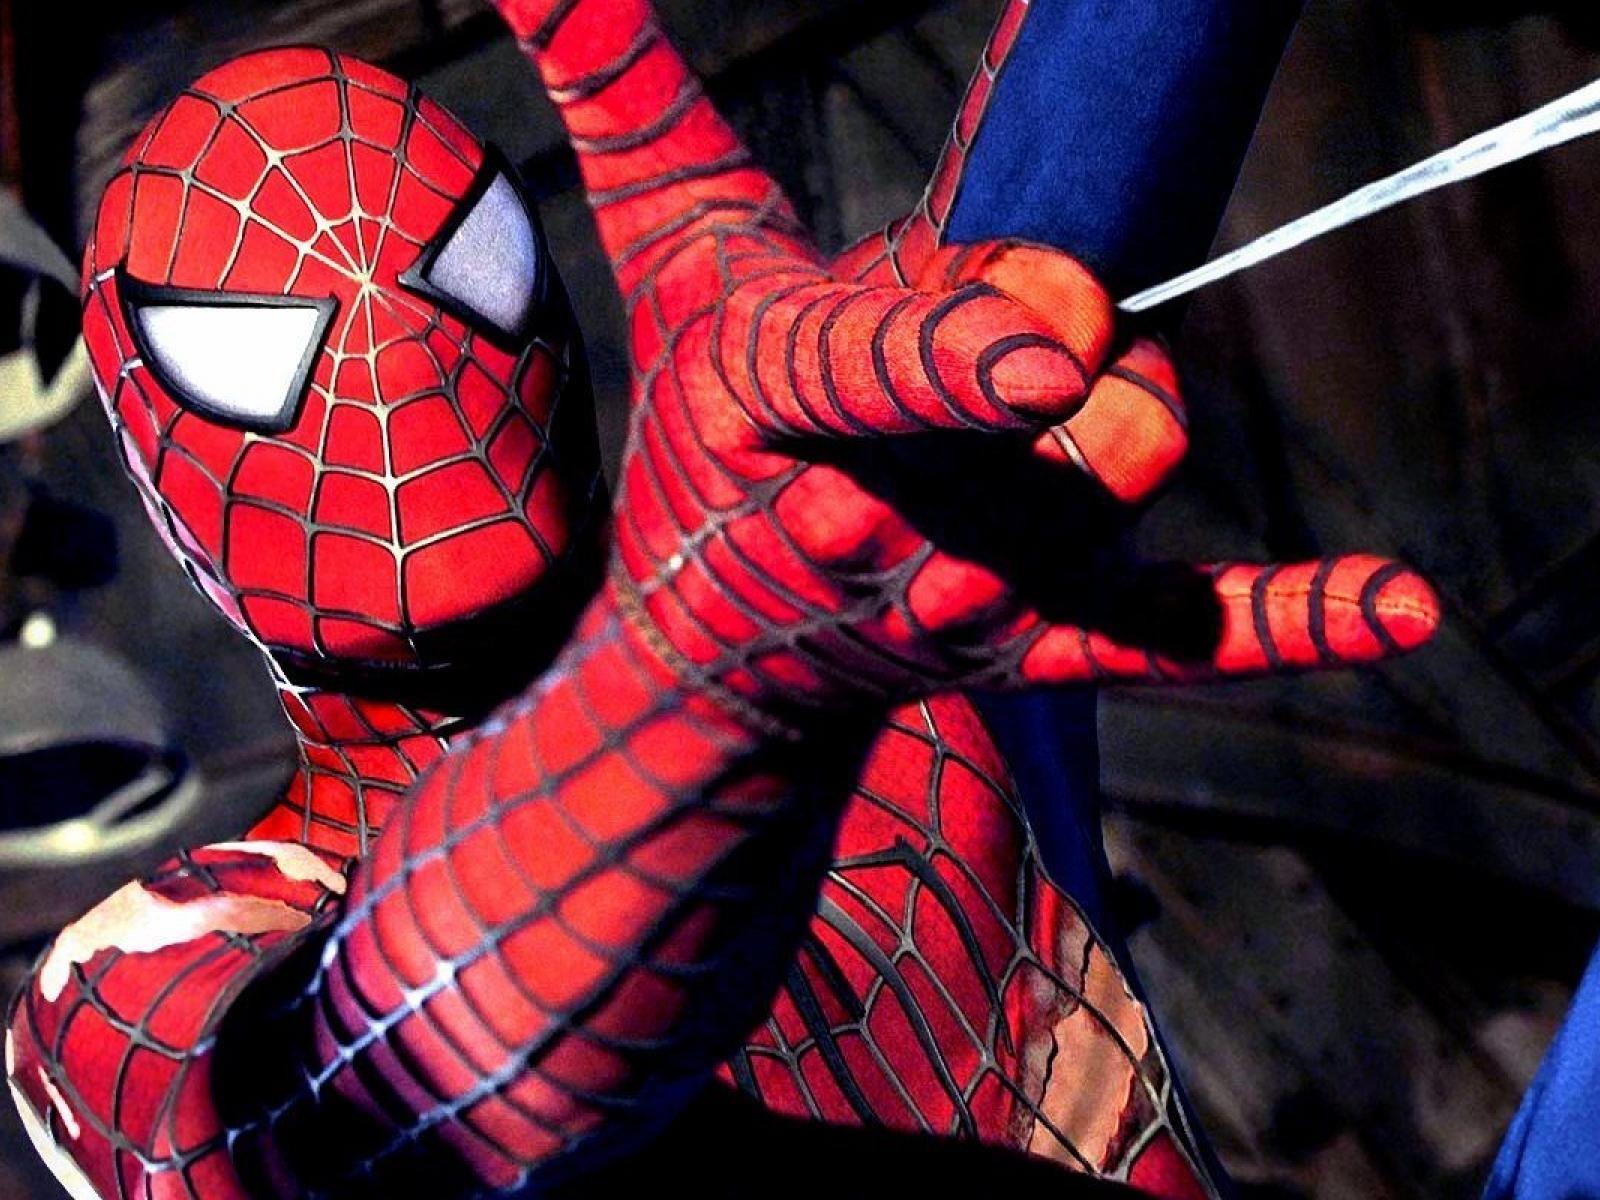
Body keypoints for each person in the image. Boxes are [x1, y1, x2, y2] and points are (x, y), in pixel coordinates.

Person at [6, 3, 1439, 1197]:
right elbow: (346, 1112)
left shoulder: (886, 591)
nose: (395, 352)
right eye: (252, 350)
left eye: (465, 269)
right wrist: (716, 676)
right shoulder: (140, 990)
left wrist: (755, 636)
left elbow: (1075, 184)